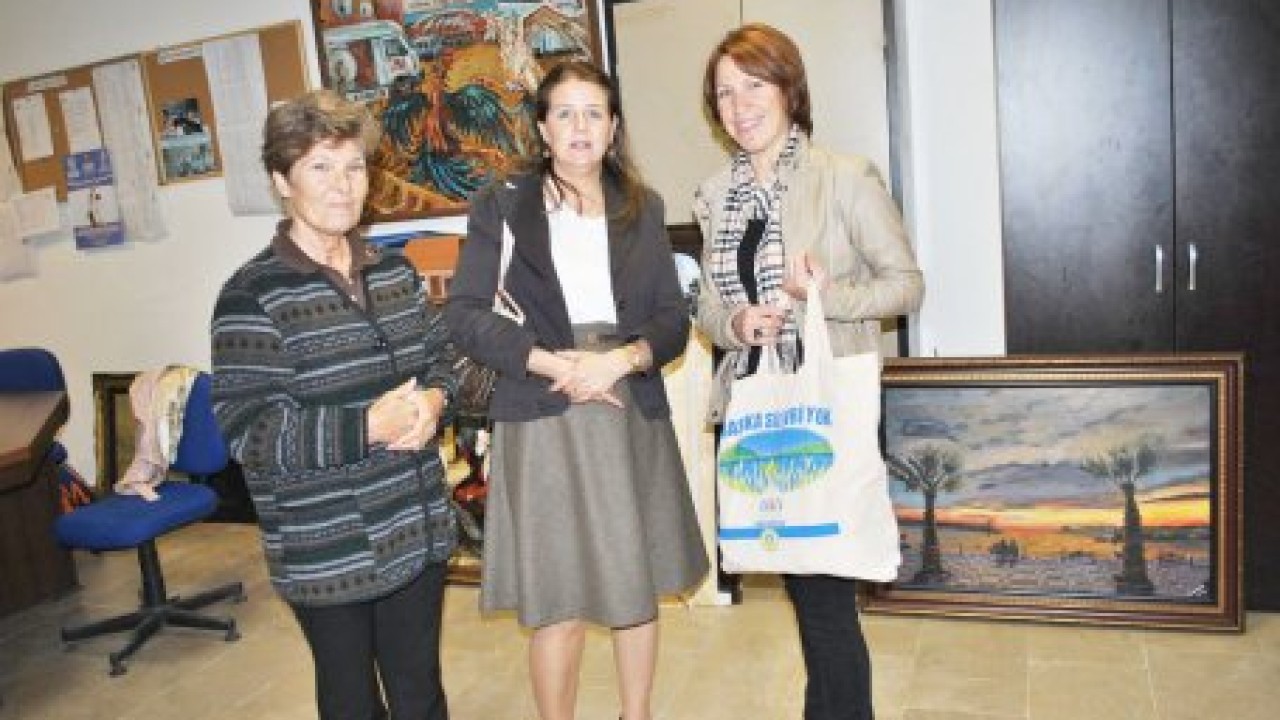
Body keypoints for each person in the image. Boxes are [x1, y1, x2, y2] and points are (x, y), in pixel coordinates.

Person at [445, 60, 708, 720]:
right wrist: (553, 366)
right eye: (564, 113)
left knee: (635, 580)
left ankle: (635, 714)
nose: (580, 126)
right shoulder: (503, 204)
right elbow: (466, 314)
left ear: (614, 127)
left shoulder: (643, 207)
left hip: (626, 410)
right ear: (542, 128)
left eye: (594, 112)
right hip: (543, 411)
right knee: (557, 595)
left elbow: (672, 319)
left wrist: (619, 361)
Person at [693, 24, 925, 720]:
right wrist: (736, 323)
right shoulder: (716, 195)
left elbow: (907, 286)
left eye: (753, 85)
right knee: (809, 597)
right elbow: (708, 303)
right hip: (758, 407)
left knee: (824, 603)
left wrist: (824, 296)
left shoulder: (844, 178)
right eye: (724, 93)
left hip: (827, 408)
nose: (739, 106)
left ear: (789, 89)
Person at [210, 89, 456, 720]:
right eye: (320, 167)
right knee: (351, 703)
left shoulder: (394, 272)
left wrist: (434, 399)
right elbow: (249, 432)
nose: (342, 186)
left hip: (415, 527)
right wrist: (367, 426)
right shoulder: (251, 296)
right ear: (281, 181)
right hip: (327, 550)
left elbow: (441, 359)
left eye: (354, 166)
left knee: (421, 694)